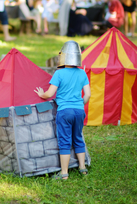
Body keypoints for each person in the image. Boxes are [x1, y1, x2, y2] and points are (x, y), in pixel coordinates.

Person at [34, 41, 90, 179]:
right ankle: (83, 169)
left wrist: (42, 94)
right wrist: (79, 104)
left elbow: (49, 93)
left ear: (63, 56)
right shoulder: (82, 73)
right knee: (78, 138)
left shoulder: (59, 73)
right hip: (79, 111)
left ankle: (64, 173)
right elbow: (88, 95)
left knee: (65, 141)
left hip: (64, 112)